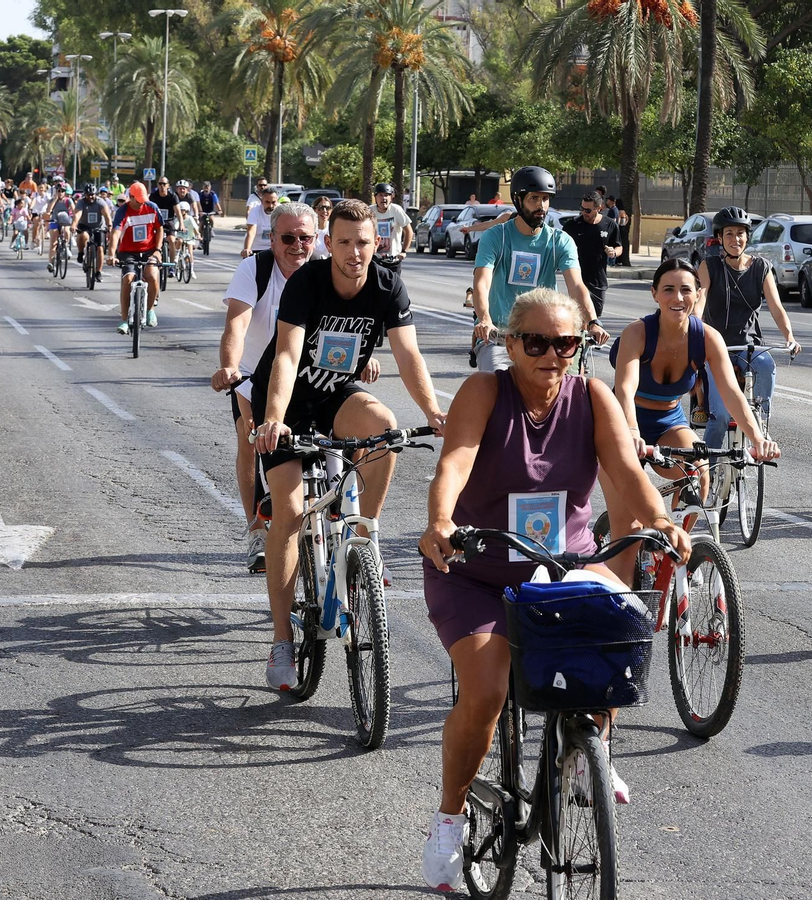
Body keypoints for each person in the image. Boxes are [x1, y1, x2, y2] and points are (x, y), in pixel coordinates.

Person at [415, 287, 691, 891]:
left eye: (564, 343)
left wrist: (661, 520)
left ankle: (583, 755)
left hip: (561, 568)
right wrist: (440, 521)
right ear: (512, 344)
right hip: (478, 571)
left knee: (620, 634)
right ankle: (449, 820)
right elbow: (454, 462)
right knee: (487, 691)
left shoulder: (591, 396)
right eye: (537, 342)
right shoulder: (485, 392)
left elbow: (626, 470)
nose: (551, 355)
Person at [251, 198, 447, 690]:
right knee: (289, 513)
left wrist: (433, 413)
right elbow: (287, 355)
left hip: (336, 393)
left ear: (376, 242)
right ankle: (281, 640)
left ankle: (363, 539)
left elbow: (408, 354)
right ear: (328, 243)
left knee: (385, 427)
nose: (354, 252)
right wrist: (272, 418)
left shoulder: (387, 285)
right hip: (286, 401)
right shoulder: (307, 283)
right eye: (343, 242)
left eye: (362, 242)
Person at [605, 258, 777, 583]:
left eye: (686, 290)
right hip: (624, 422)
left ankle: (675, 554)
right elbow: (625, 390)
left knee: (698, 471)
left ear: (698, 294)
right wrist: (631, 431)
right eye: (668, 289)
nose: (678, 298)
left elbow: (731, 393)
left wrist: (757, 438)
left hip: (668, 420)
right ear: (655, 293)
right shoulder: (637, 332)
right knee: (627, 529)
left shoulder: (706, 338)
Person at [211, 200, 319, 573]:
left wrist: (364, 358)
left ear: (316, 239)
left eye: (305, 238)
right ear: (272, 239)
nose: (297, 246)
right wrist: (228, 366)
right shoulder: (254, 269)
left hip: (308, 378)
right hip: (253, 378)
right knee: (251, 439)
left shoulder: (325, 273)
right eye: (288, 238)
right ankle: (257, 528)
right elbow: (236, 325)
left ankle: (339, 528)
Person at [470, 166, 604, 372]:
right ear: (518, 200)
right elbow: (482, 283)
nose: (541, 205)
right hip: (500, 336)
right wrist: (485, 320)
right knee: (498, 381)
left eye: (545, 199)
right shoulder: (496, 236)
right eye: (534, 198)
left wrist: (593, 321)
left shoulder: (560, 241)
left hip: (546, 338)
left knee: (572, 382)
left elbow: (576, 286)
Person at [696, 207, 801, 451]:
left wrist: (790, 337)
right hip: (716, 348)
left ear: (747, 236)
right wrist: (693, 330)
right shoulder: (709, 265)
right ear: (720, 238)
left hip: (749, 346)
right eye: (729, 234)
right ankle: (708, 469)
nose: (736, 239)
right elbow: (700, 301)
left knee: (765, 364)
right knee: (720, 417)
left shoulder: (761, 267)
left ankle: (761, 421)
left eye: (740, 233)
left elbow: (776, 308)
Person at [106, 182, 164, 333]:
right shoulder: (123, 211)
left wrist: (158, 250)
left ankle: (150, 310)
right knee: (128, 279)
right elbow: (115, 234)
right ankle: (124, 320)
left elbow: (159, 229)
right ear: (130, 197)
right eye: (138, 201)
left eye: (143, 200)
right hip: (128, 252)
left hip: (150, 250)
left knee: (152, 275)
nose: (141, 204)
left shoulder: (152, 207)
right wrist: (111, 254)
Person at [559, 191, 622, 318]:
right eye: (582, 209)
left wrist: (614, 252)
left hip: (598, 280)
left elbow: (619, 246)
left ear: (598, 208)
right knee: (578, 317)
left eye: (587, 210)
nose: (583, 213)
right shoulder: (572, 225)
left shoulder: (610, 225)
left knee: (594, 318)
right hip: (577, 279)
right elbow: (560, 245)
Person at [371, 182, 413, 270]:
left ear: (391, 197)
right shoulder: (370, 211)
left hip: (393, 260)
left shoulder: (396, 210)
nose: (383, 198)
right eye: (380, 195)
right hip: (374, 259)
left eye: (386, 195)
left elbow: (409, 231)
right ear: (375, 197)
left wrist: (404, 251)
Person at [241, 185, 279, 258]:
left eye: (273, 202)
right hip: (256, 248)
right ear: (261, 201)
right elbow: (251, 232)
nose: (270, 206)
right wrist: (247, 249)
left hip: (273, 248)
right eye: (267, 202)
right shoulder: (254, 211)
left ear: (277, 201)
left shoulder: (281, 211)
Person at [46, 186, 77, 274]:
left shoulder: (68, 200)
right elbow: (48, 210)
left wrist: (74, 221)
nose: (60, 193)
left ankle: (65, 246)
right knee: (53, 242)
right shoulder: (52, 200)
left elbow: (74, 211)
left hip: (65, 220)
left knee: (67, 230)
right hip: (54, 221)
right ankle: (51, 263)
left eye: (62, 191)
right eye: (58, 191)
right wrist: (55, 200)